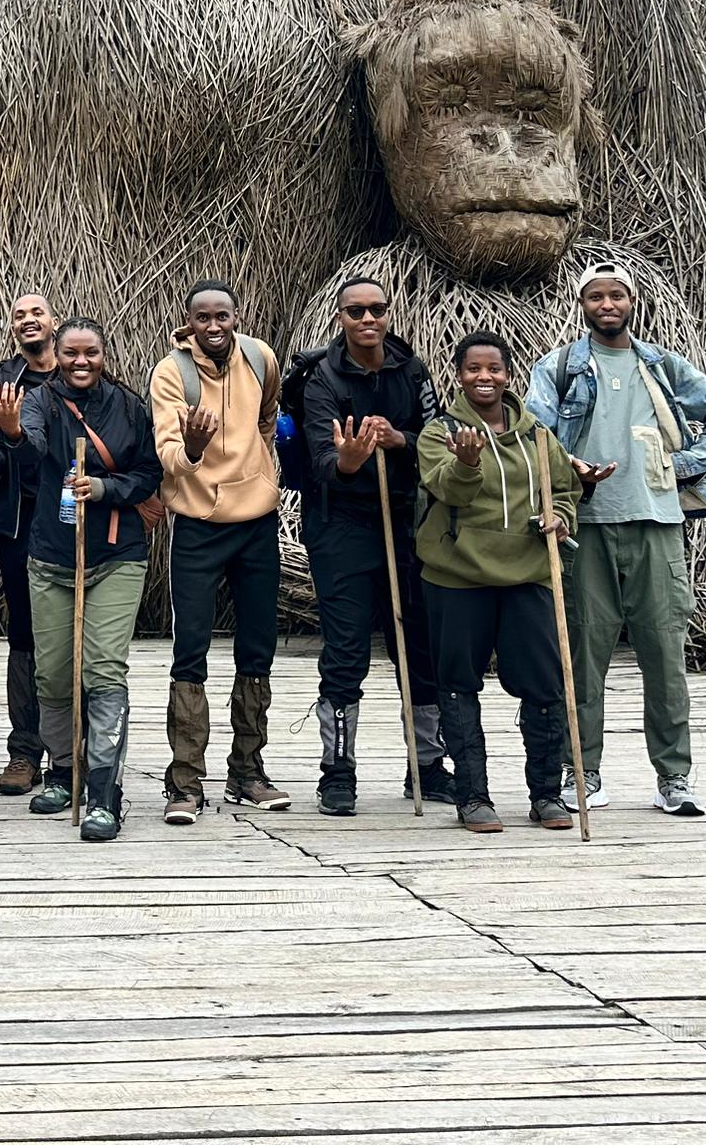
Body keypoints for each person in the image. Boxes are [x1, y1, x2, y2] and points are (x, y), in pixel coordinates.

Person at [526, 261, 706, 818]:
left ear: (632, 302)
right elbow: (534, 431)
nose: (607, 305)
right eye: (596, 296)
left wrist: (685, 464)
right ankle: (582, 772)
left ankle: (674, 777)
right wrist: (569, 467)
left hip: (657, 522)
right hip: (585, 526)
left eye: (617, 295)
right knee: (583, 655)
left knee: (665, 655)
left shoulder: (662, 365)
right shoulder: (560, 367)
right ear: (582, 305)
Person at [0, 318, 164, 843]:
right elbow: (29, 456)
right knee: (52, 674)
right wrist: (12, 430)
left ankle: (105, 792)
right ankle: (65, 772)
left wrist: (105, 488)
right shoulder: (40, 402)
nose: (81, 361)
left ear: (104, 355)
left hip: (116, 556)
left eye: (91, 352)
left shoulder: (129, 407)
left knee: (103, 671)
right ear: (58, 354)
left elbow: (150, 474)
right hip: (52, 557)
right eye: (71, 353)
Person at [417, 332, 583, 834]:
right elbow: (446, 489)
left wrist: (560, 517)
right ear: (459, 375)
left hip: (528, 572)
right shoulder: (439, 432)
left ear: (509, 375)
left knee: (545, 685)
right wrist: (466, 463)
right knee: (458, 685)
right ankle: (473, 797)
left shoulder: (539, 437)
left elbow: (564, 489)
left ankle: (546, 795)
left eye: (494, 368)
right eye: (473, 369)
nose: (484, 377)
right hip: (457, 575)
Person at [299, 276, 444, 816]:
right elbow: (320, 459)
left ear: (388, 314)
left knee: (419, 646)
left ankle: (428, 765)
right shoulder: (321, 378)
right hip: (341, 526)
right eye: (355, 311)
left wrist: (400, 439)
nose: (367, 319)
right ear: (340, 317)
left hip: (407, 521)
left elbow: (438, 439)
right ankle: (337, 771)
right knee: (346, 650)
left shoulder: (413, 370)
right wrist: (350, 459)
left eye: (376, 310)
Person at [149, 281, 290, 823]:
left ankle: (247, 772)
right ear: (188, 321)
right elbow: (167, 453)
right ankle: (185, 781)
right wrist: (193, 448)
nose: (213, 326)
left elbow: (266, 417)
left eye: (222, 316)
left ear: (236, 316)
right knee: (191, 648)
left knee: (258, 646)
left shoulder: (260, 357)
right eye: (202, 317)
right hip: (198, 524)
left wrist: (256, 468)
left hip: (256, 521)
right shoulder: (172, 373)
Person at [0, 291, 59, 795]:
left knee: (72, 634)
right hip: (22, 521)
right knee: (24, 632)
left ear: (53, 321)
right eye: (19, 315)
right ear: (12, 329)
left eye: (36, 313)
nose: (29, 320)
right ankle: (24, 751)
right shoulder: (0, 383)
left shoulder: (77, 371)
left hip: (76, 517)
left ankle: (72, 751)